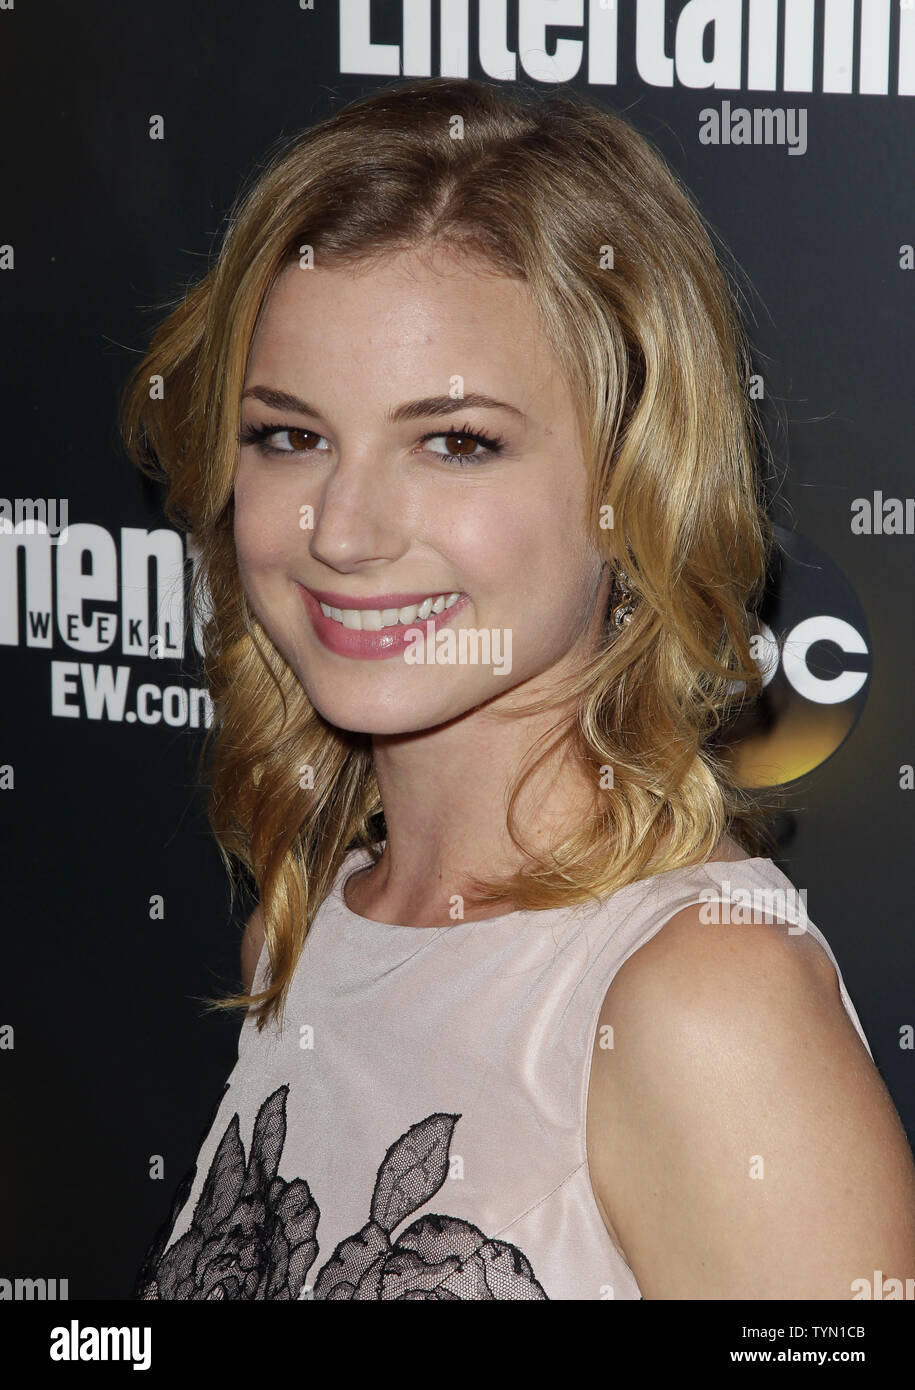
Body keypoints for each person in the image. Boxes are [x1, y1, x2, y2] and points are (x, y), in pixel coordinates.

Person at [121, 76, 915, 1301]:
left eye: (456, 442)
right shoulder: (314, 925)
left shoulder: (701, 1005)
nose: (342, 529)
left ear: (636, 475)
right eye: (290, 434)